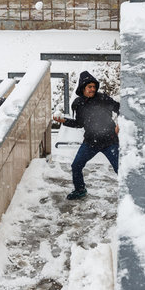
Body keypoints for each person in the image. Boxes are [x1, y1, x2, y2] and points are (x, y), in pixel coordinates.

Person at [53, 71, 120, 200]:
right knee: (76, 166)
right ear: (83, 87)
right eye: (90, 87)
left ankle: (129, 194)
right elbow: (79, 124)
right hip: (90, 143)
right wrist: (64, 121)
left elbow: (120, 109)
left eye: (94, 87)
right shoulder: (78, 104)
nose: (93, 89)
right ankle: (80, 190)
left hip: (110, 141)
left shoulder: (103, 98)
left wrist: (119, 124)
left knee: (120, 169)